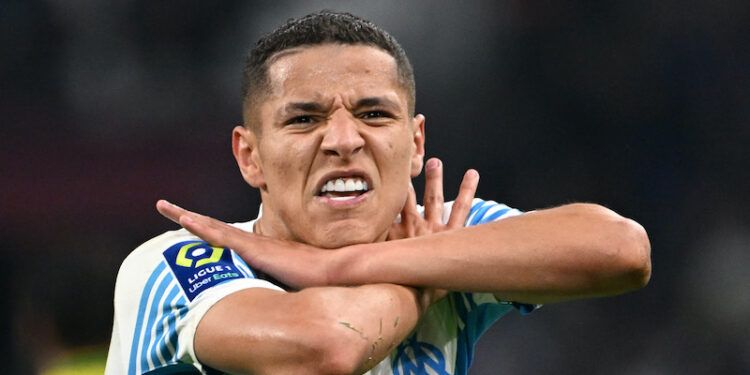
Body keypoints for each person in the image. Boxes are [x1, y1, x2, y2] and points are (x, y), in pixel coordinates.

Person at [105, 10, 651, 375]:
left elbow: (622, 250)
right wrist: (418, 275)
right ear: (250, 156)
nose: (344, 140)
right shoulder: (177, 264)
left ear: (415, 144)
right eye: (304, 119)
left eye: (373, 113)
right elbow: (329, 348)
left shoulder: (429, 230)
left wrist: (352, 263)